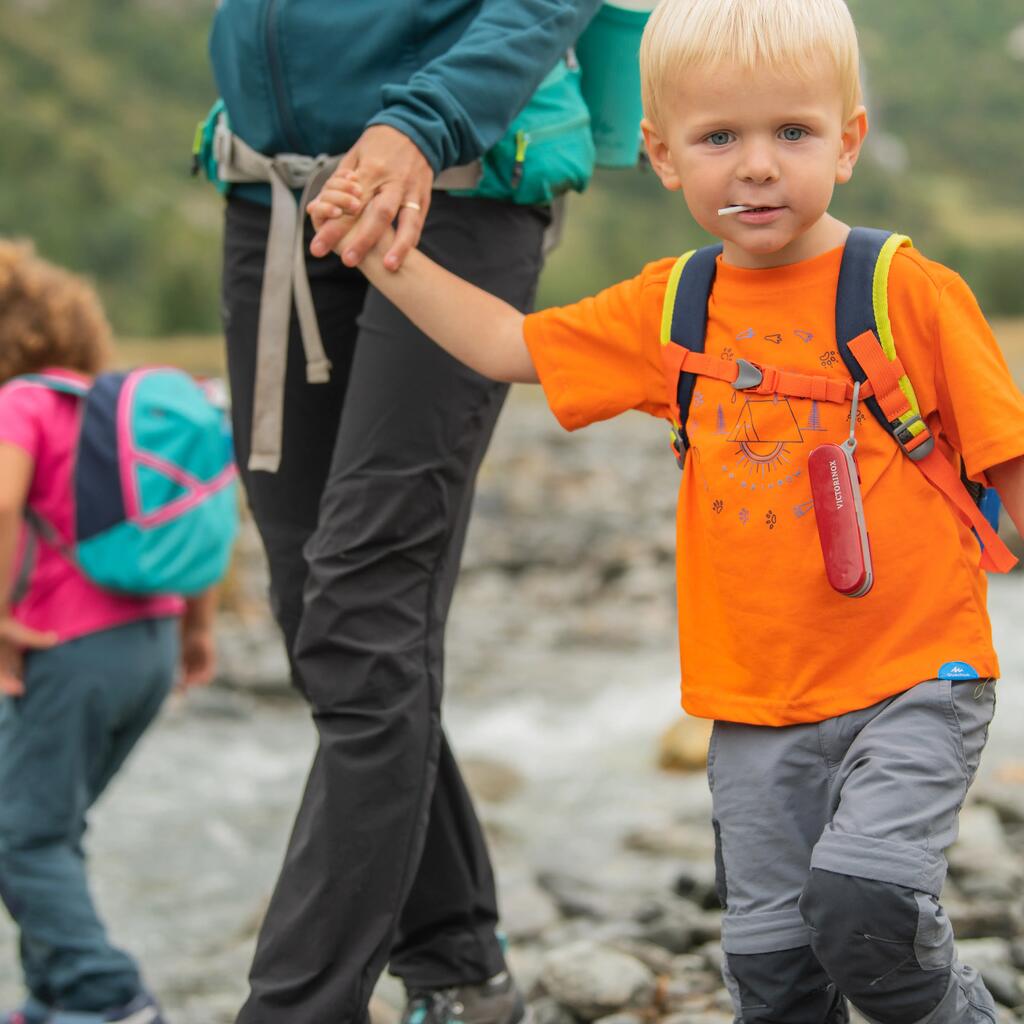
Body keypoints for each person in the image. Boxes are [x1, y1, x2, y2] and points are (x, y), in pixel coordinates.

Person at [309, 0, 1024, 1020]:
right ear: (660, 154)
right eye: (718, 137)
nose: (757, 165)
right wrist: (390, 256)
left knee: (868, 905)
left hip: (915, 674)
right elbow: (511, 347)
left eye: (792, 132)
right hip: (752, 705)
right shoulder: (672, 305)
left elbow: (1011, 465)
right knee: (773, 970)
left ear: (848, 140)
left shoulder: (906, 289)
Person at [207, 3, 603, 1023]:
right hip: (271, 189)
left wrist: (422, 122)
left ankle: (295, 1009)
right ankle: (460, 964)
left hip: (455, 183)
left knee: (361, 611)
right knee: (321, 620)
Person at [0, 240, 218, 1024]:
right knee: (44, 825)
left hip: (67, 650)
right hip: (151, 646)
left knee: (21, 836)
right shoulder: (121, 417)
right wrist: (197, 630)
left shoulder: (23, 404)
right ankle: (52, 998)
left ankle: (108, 996)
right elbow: (188, 525)